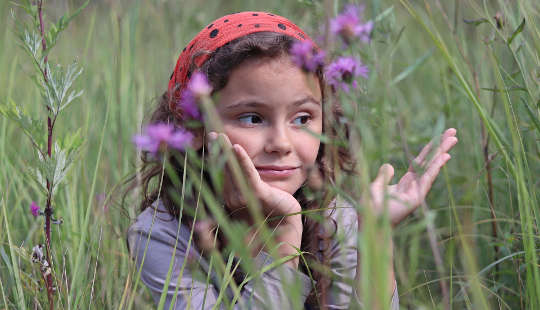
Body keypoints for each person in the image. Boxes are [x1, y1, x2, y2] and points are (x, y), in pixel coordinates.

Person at [126, 11, 458, 310]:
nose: (281, 144)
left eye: (302, 118)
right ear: (194, 126)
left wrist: (375, 234)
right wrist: (285, 236)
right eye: (253, 118)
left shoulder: (333, 217)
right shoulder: (163, 233)